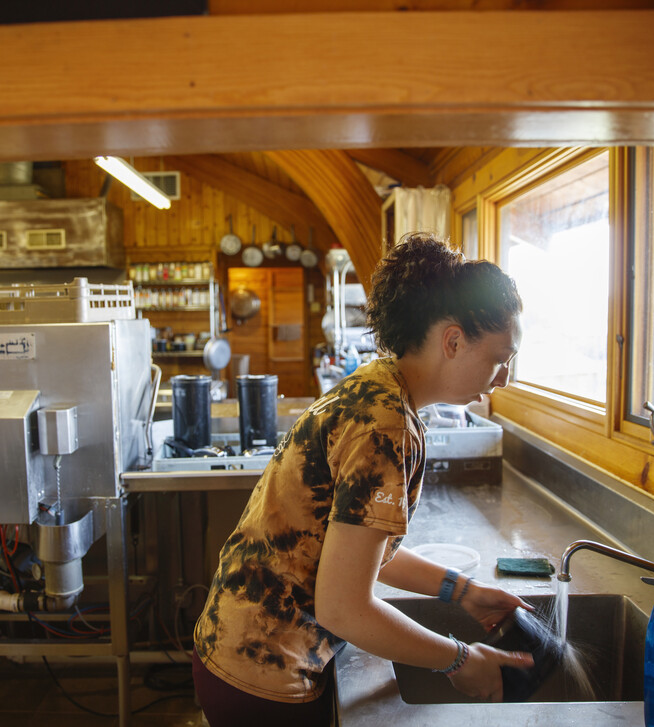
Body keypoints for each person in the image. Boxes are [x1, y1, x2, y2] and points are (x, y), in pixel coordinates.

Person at [192, 232, 531, 726]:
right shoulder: (385, 424)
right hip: (264, 672)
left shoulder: (378, 386)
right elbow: (344, 608)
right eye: (501, 359)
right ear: (453, 341)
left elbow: (356, 551)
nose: (505, 378)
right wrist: (460, 660)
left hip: (235, 648)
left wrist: (464, 593)